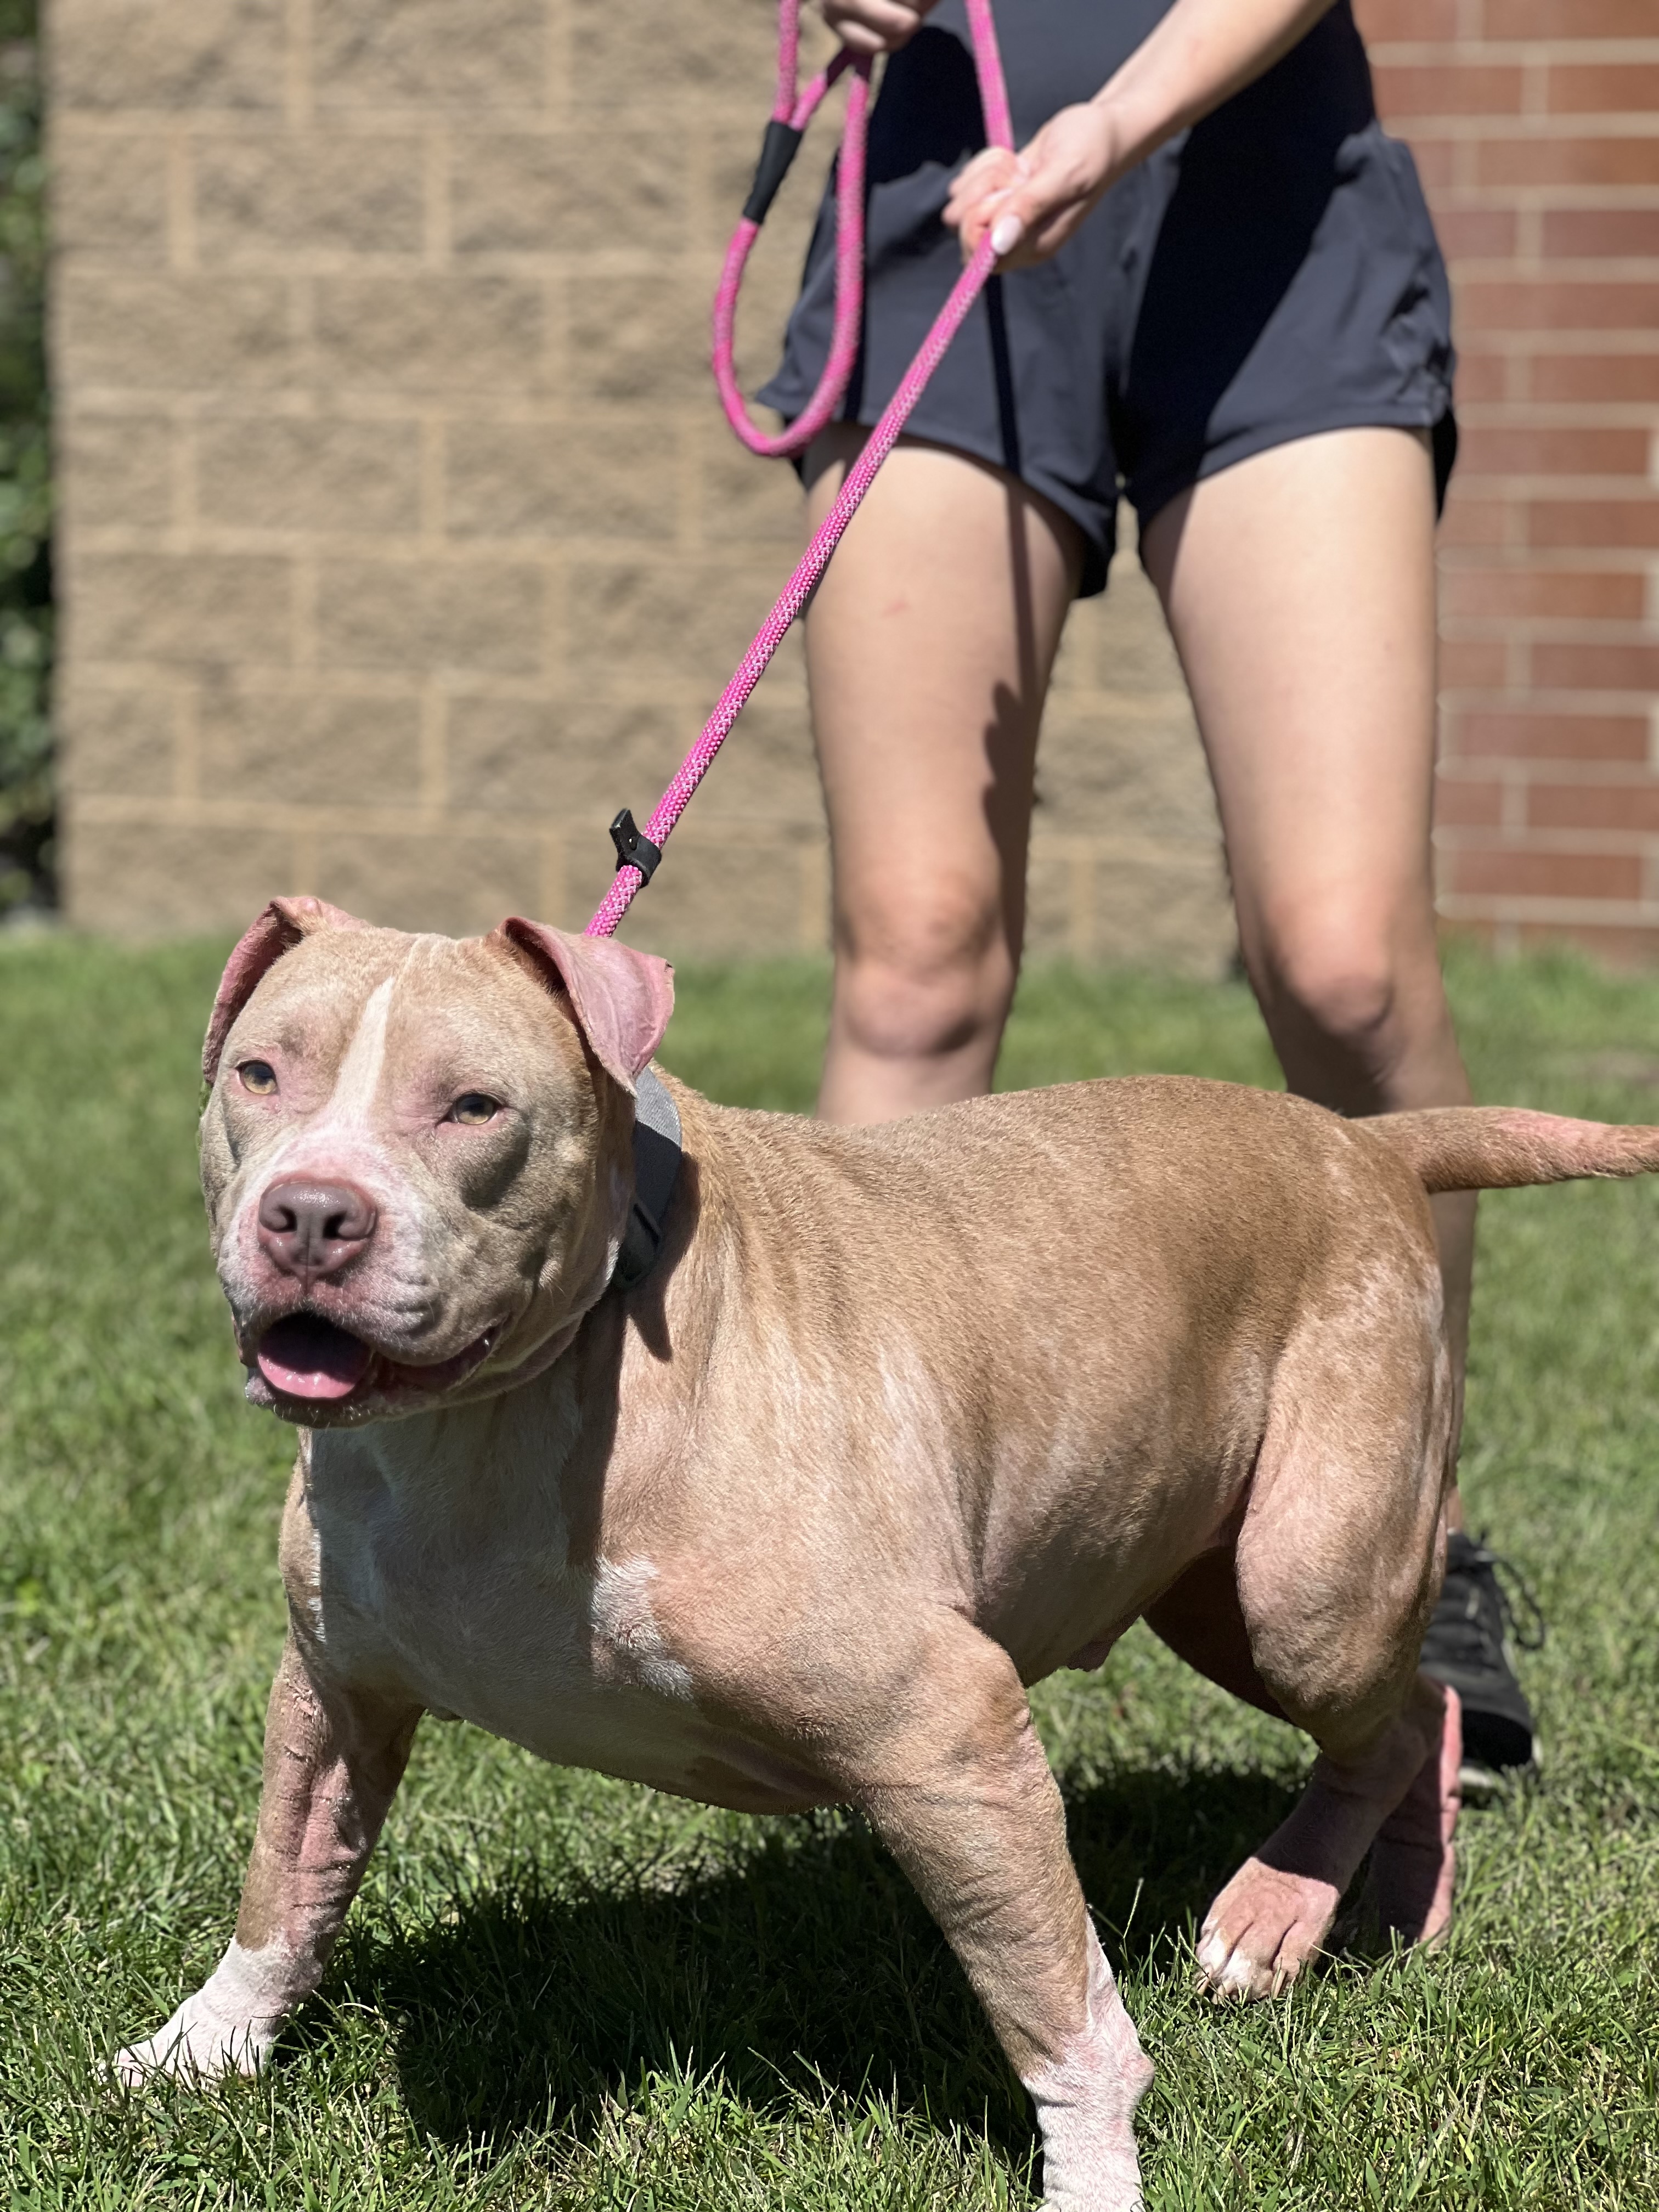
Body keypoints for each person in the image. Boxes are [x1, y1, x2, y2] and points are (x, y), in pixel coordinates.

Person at [758, 0, 1540, 1778]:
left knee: (1341, 961)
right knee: (919, 954)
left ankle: (1412, 1528)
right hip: (947, 185)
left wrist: (1119, 118)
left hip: (1258, 203)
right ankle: (847, 1547)